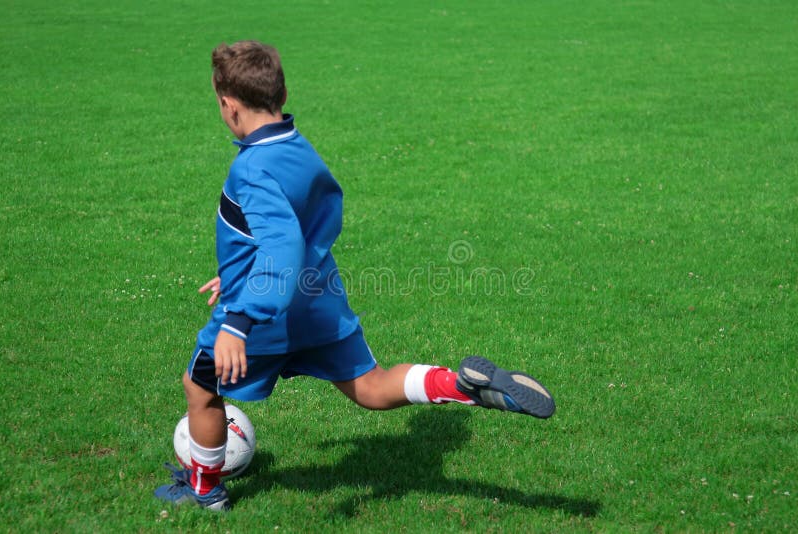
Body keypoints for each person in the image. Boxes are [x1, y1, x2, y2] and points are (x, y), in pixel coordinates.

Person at [154, 40, 555, 512]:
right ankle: (461, 386)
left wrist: (240, 318)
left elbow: (281, 248)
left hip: (265, 313)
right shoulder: (298, 147)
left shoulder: (251, 169)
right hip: (318, 298)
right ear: (282, 95)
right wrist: (236, 271)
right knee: (371, 387)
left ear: (229, 105)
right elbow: (291, 228)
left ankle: (204, 492)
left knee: (200, 388)